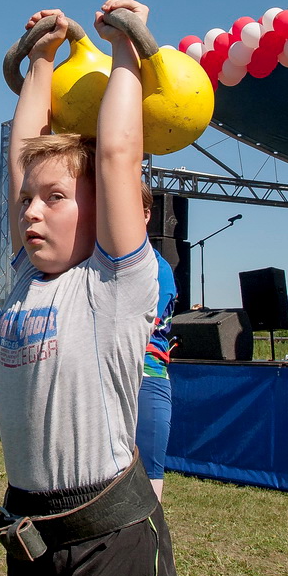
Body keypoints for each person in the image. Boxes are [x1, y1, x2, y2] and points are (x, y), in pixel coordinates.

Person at [0, 0, 177, 576]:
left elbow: (116, 157)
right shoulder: (16, 284)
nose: (33, 212)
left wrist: (127, 53)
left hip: (113, 546)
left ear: (104, 211)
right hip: (33, 544)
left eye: (56, 198)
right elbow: (23, 155)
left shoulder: (115, 283)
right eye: (28, 202)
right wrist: (42, 58)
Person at [137, 183, 177, 501]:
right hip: (105, 382)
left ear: (147, 214)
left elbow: (138, 324)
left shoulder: (159, 270)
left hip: (146, 381)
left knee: (148, 491)